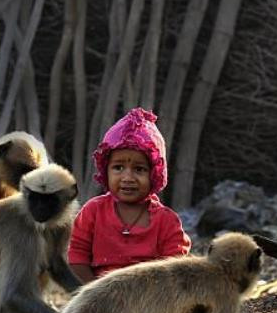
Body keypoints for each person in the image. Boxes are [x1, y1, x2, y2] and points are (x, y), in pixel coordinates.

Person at [68, 108, 191, 283]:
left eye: (139, 169)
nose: (127, 178)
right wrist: (96, 292)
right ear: (106, 170)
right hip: (97, 298)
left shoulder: (166, 222)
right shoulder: (93, 211)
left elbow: (175, 269)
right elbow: (76, 256)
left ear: (154, 174)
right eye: (118, 167)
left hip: (149, 302)